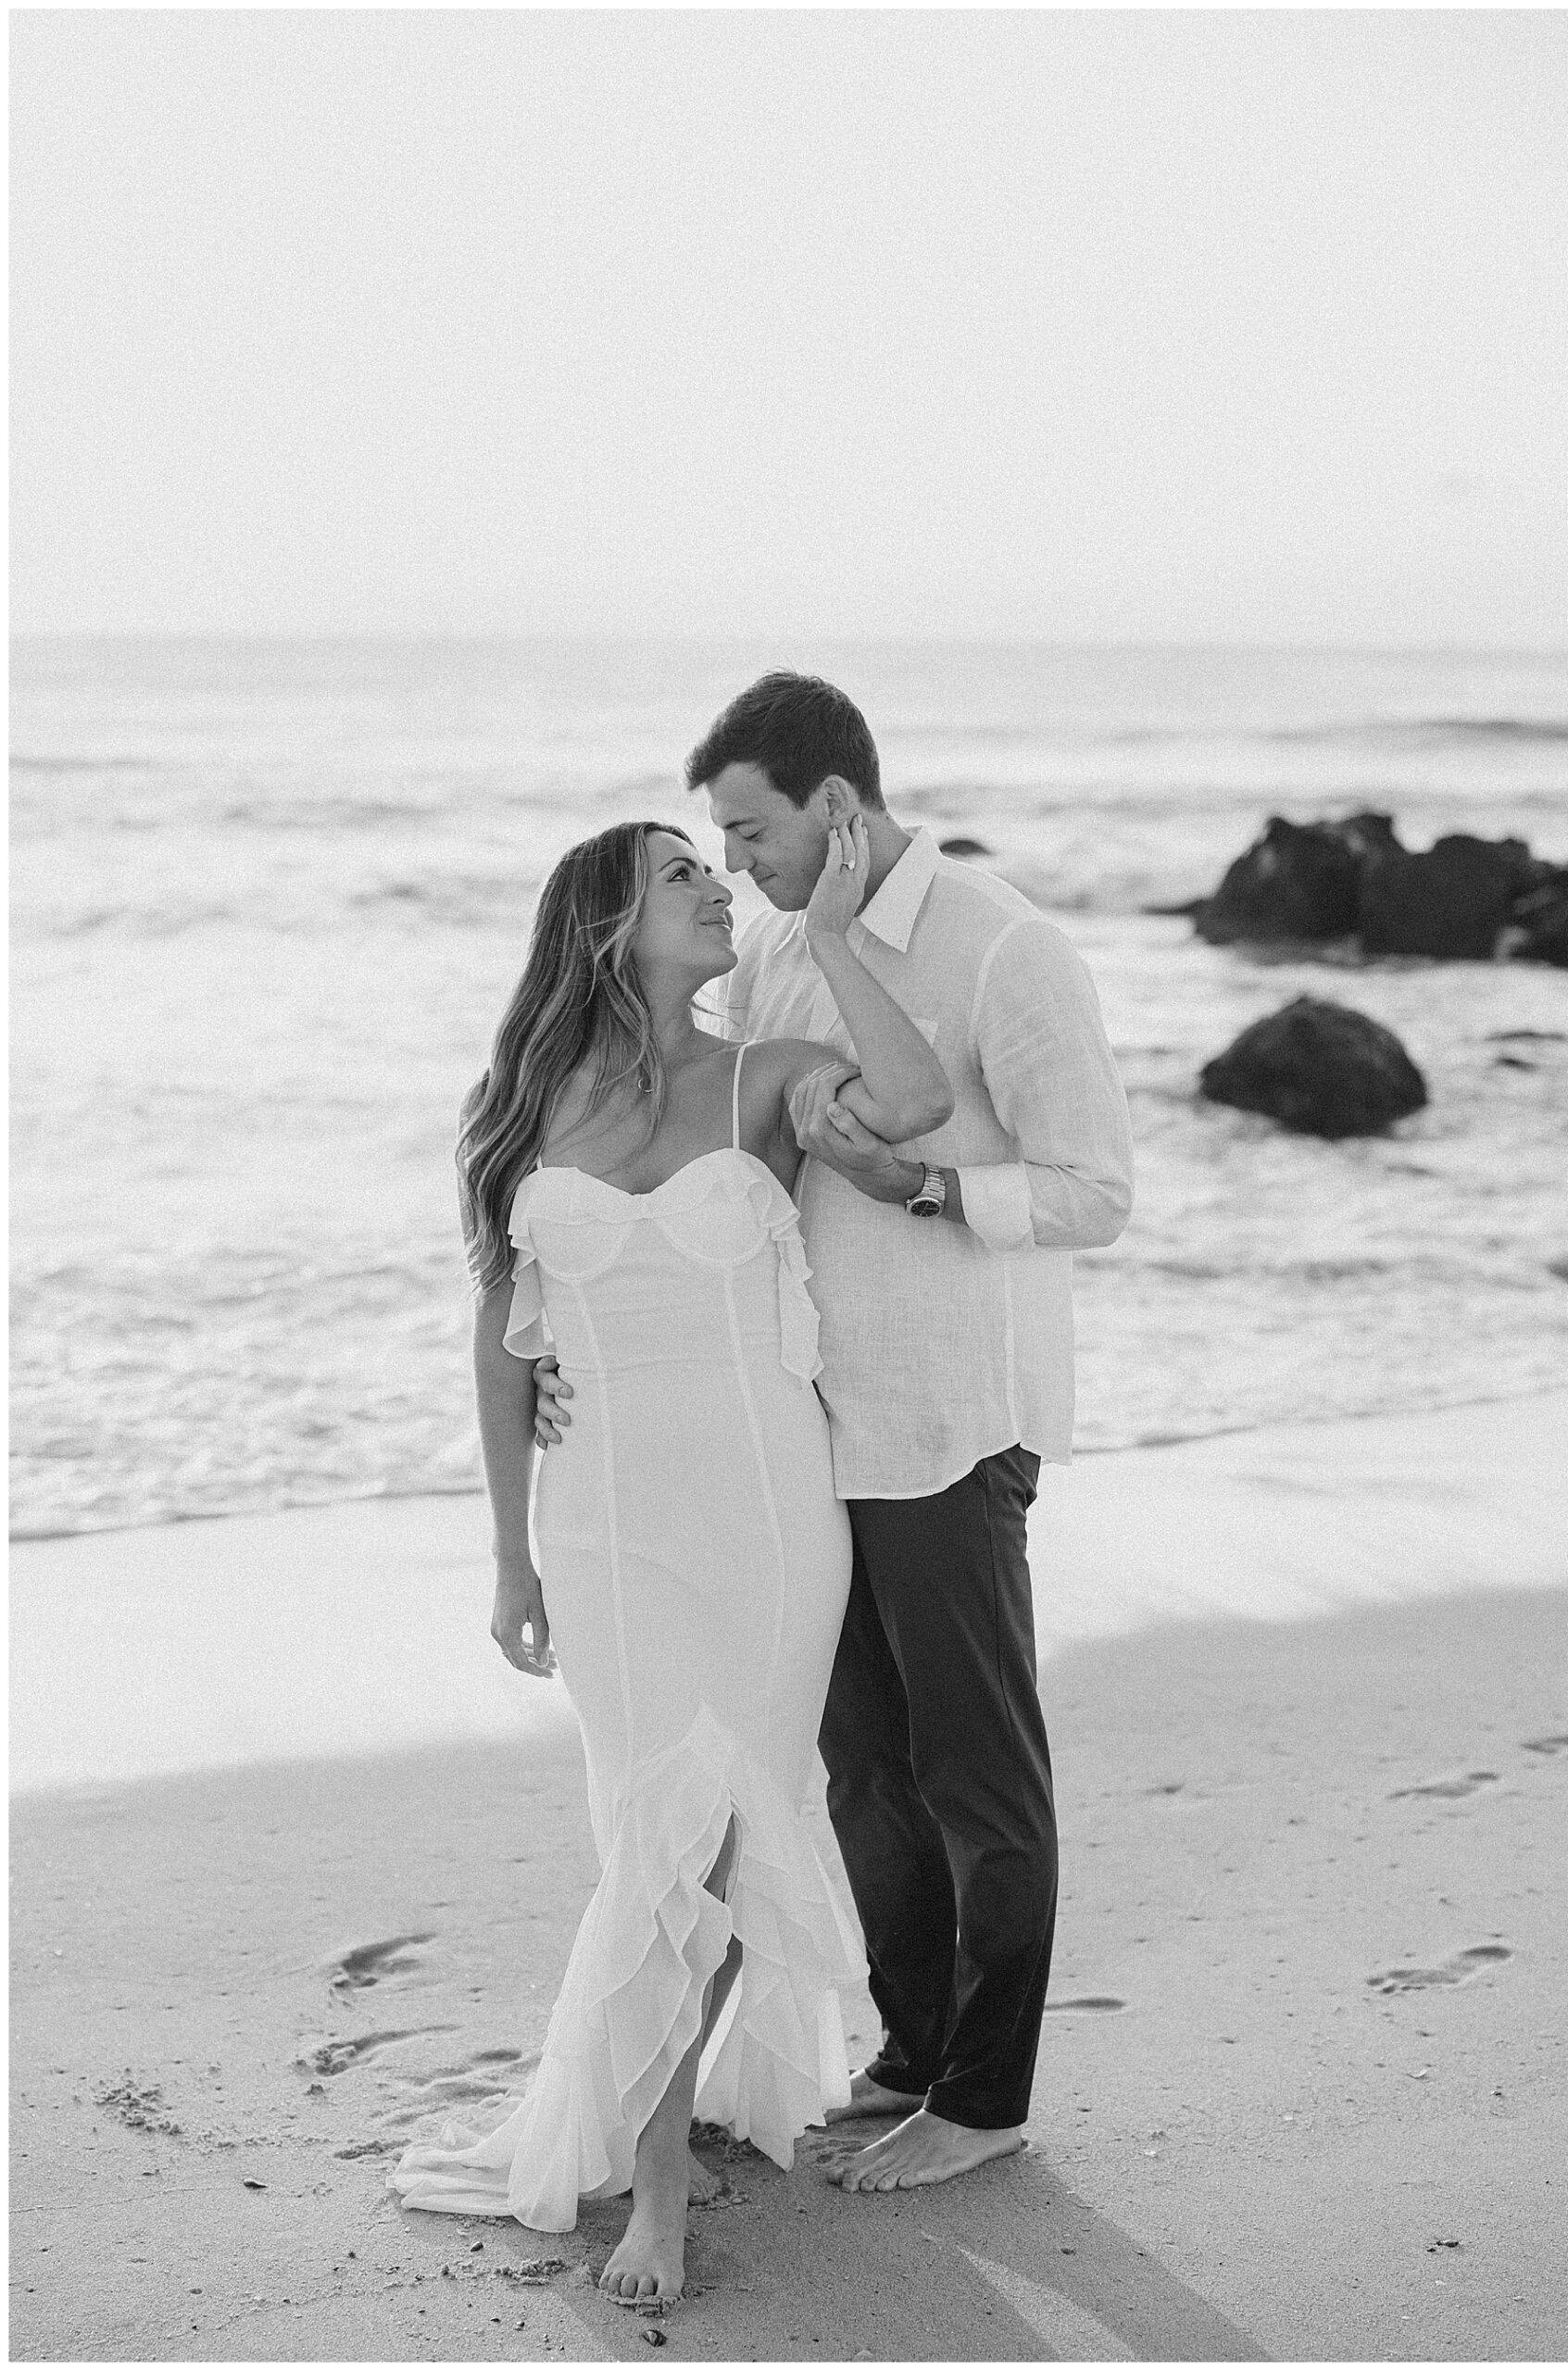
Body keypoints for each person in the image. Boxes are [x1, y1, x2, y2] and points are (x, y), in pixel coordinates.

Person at [536, 672, 1135, 2196]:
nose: (733, 865)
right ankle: (909, 2053)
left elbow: (1097, 1192)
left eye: (749, 834)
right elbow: (718, 1148)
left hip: (947, 1420)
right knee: (861, 1774)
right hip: (801, 1437)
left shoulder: (1004, 947)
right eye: (716, 847)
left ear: (836, 809)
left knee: (975, 1774)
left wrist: (934, 1191)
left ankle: (984, 2094)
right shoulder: (784, 957)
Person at [388, 813, 952, 2304]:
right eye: (681, 877)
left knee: (717, 1822)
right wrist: (508, 1559)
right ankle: (659, 2115)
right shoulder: (522, 1106)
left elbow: (912, 1099)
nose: (717, 890)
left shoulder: (760, 1076)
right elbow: (502, 1352)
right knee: (646, 1823)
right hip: (601, 1517)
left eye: (717, 868)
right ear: (604, 927)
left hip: (765, 1511)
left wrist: (828, 938)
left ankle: (657, 2182)